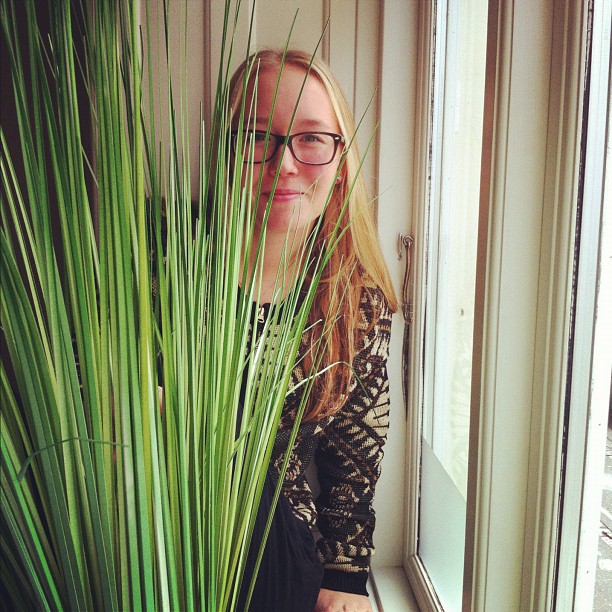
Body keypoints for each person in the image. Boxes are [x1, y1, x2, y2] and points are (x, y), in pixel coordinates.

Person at [228, 49, 397, 612]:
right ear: (224, 149)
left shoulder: (355, 301)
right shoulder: (156, 269)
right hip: (146, 525)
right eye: (257, 136)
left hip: (274, 551)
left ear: (341, 159)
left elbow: (354, 453)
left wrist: (345, 578)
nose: (283, 164)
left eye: (312, 138)